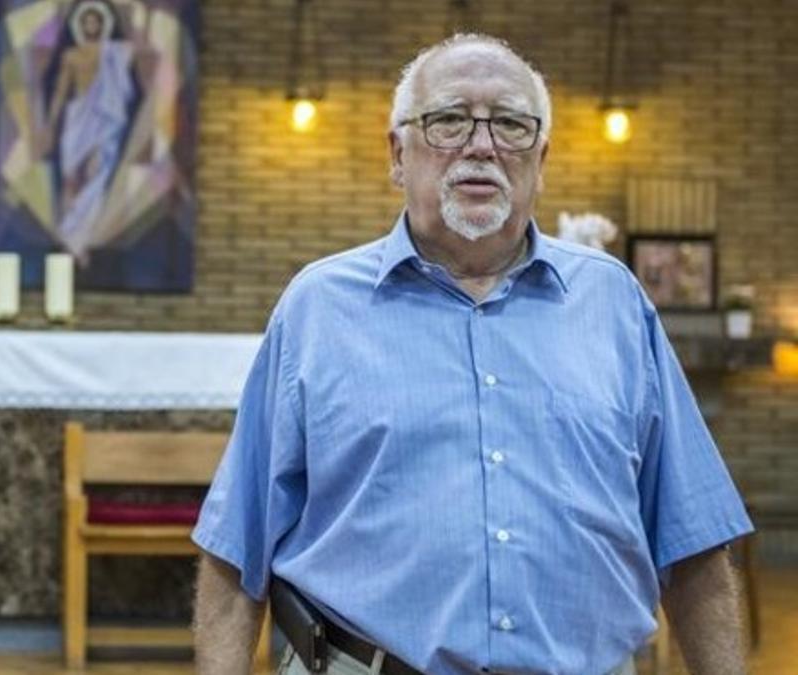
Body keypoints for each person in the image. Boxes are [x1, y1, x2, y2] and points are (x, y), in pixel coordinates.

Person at [191, 33, 752, 675]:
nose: (481, 145)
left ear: (541, 160)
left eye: (511, 124)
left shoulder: (614, 304)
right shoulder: (318, 308)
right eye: (449, 119)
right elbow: (237, 550)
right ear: (397, 154)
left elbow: (693, 544)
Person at [40, 0, 138, 261]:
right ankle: (68, 238)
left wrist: (125, 13)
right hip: (77, 120)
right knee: (72, 178)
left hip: (103, 121)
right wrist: (50, 126)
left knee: (95, 174)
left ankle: (80, 241)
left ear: (103, 24)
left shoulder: (114, 52)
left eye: (96, 22)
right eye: (86, 22)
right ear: (79, 25)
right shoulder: (70, 56)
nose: (91, 26)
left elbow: (134, 48)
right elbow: (60, 93)